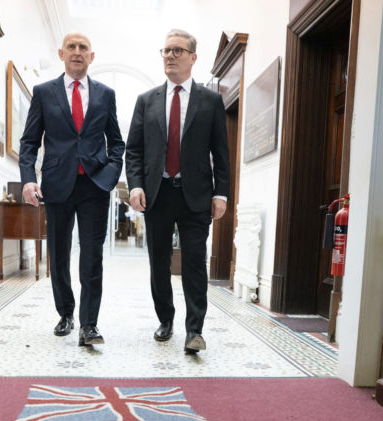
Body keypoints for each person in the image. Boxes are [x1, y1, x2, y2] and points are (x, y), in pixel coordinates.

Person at [125, 29, 229, 353]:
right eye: (166, 50)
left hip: (195, 194)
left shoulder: (210, 101)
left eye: (177, 51)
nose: (170, 55)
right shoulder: (147, 100)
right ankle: (166, 320)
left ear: (193, 57)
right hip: (157, 193)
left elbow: (221, 151)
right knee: (159, 261)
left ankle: (194, 329)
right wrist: (136, 185)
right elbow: (134, 150)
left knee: (195, 262)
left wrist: (221, 193)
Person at [19, 32, 125, 346]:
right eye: (72, 47)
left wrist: (109, 176)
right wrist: (28, 178)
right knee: (59, 252)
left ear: (92, 56)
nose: (77, 52)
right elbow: (28, 142)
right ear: (61, 53)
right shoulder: (43, 92)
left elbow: (117, 143)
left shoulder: (106, 94)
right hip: (56, 184)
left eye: (83, 48)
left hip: (94, 185)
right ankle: (66, 313)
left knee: (92, 256)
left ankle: (89, 325)